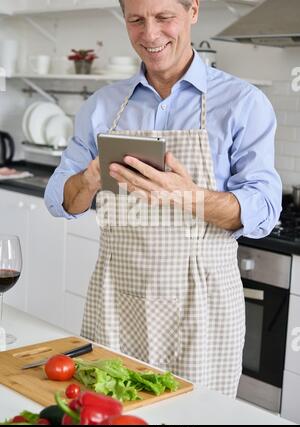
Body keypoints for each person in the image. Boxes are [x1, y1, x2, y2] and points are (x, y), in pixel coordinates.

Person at [45, 0, 282, 398]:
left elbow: (264, 210)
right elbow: (60, 201)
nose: (150, 34)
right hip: (116, 297)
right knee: (111, 411)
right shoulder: (103, 106)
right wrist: (88, 179)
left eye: (164, 17)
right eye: (136, 20)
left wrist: (193, 197)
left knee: (195, 417)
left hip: (202, 305)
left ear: (192, 11)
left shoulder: (243, 103)